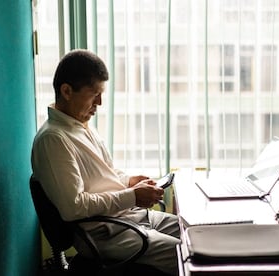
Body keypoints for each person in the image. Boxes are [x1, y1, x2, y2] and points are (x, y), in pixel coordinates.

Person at [31, 49, 180, 275]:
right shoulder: (53, 140)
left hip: (128, 218)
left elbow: (103, 175)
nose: (99, 103)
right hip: (107, 235)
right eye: (94, 95)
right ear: (67, 91)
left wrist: (129, 181)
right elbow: (74, 207)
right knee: (188, 255)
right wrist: (132, 196)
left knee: (195, 233)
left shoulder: (79, 125)